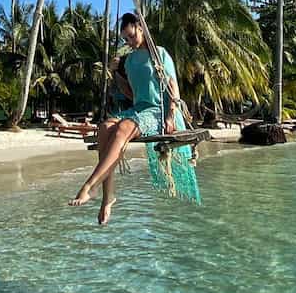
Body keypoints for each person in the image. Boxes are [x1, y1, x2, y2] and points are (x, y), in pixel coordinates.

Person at [68, 12, 199, 224]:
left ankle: (89, 186)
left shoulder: (159, 54)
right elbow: (131, 94)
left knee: (122, 129)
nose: (129, 41)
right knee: (104, 127)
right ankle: (107, 197)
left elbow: (173, 86)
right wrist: (117, 74)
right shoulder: (129, 60)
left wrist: (170, 115)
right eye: (125, 39)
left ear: (141, 27)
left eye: (131, 35)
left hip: (158, 110)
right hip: (139, 108)